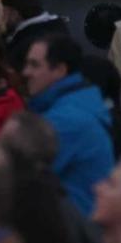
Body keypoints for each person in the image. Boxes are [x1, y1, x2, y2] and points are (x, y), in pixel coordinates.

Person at [20, 31, 115, 215]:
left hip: (72, 230)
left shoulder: (67, 121)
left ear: (60, 70)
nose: (26, 72)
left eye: (34, 65)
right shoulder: (75, 107)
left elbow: (23, 179)